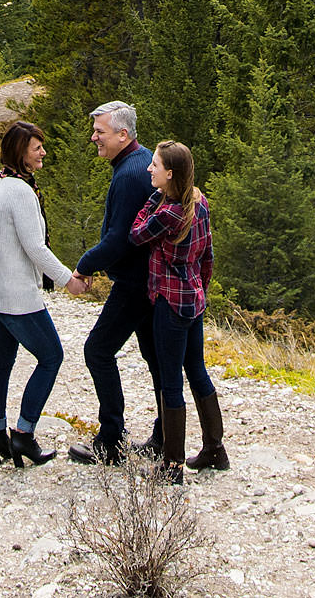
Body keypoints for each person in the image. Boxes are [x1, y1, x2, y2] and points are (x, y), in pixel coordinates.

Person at [65, 100, 163, 464]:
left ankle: (110, 441)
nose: (93, 138)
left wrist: (83, 266)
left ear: (123, 134)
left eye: (100, 132)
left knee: (98, 350)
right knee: (156, 359)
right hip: (151, 281)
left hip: (137, 283)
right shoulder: (142, 161)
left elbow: (120, 239)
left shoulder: (129, 174)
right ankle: (165, 436)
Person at [130, 140, 226, 478]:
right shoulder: (199, 203)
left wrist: (153, 200)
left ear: (170, 173)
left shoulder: (169, 213)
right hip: (194, 298)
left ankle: (172, 465)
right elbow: (208, 256)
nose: (148, 169)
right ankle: (215, 448)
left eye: (155, 165)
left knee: (170, 381)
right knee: (196, 370)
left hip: (169, 303)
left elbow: (136, 233)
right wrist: (201, 289)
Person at [0, 120, 70, 467]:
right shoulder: (19, 190)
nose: (43, 152)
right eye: (37, 148)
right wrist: (66, 279)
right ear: (22, 153)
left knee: (2, 361)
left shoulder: (3, 185)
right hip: (18, 295)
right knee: (51, 357)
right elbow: (35, 246)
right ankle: (23, 435)